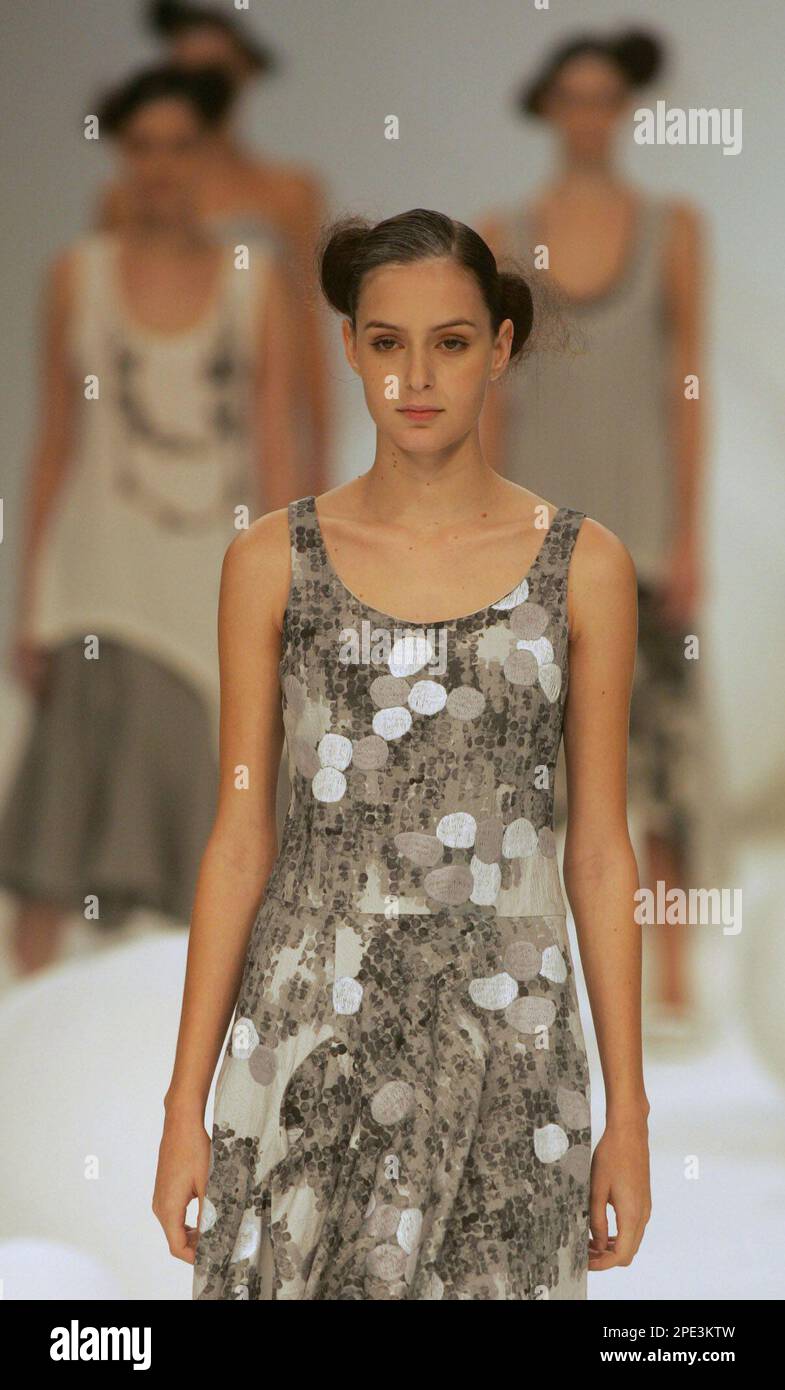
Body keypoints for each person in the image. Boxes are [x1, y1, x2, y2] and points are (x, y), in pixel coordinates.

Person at [153, 207, 651, 1300]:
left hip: (509, 1044)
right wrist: (182, 1107)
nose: (416, 374)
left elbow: (601, 853)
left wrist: (629, 1115)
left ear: (501, 348)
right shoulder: (269, 561)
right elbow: (241, 836)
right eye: (386, 341)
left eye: (451, 341)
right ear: (348, 348)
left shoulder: (583, 566)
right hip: (304, 1029)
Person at [0, 64, 297, 973]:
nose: (162, 167)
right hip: (98, 576)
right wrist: (29, 599)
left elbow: (276, 449)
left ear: (209, 154)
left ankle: (174, 1066)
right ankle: (24, 1050)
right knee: (56, 835)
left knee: (203, 824)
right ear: (120, 157)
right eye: (143, 148)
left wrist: (294, 591)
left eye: (181, 146)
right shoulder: (76, 278)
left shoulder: (255, 284)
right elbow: (53, 442)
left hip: (207, 571)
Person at [480, 27, 708, 1041]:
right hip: (538, 536)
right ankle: (542, 976)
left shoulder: (673, 229)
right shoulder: (502, 234)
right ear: (545, 106)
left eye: (603, 97)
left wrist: (688, 530)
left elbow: (682, 386)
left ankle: (673, 989)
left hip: (645, 538)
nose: (587, 115)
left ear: (624, 110)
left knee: (662, 764)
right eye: (570, 96)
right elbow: (493, 398)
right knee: (532, 760)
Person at [96, 1, 331, 496]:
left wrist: (321, 460)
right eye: (188, 69)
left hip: (262, 422)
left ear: (246, 73)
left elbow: (310, 332)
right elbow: (105, 331)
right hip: (156, 424)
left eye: (216, 71)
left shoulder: (289, 192)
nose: (205, 86)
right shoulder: (123, 201)